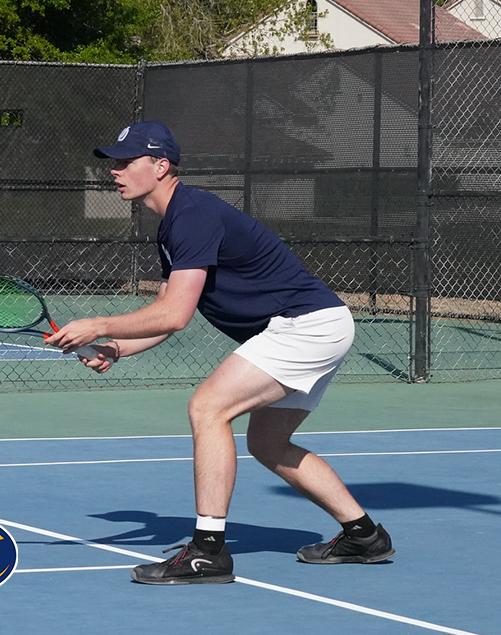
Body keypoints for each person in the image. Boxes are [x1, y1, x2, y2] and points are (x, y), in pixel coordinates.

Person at [46, 121, 393, 585]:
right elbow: (166, 312)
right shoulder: (175, 224)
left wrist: (100, 323)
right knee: (266, 444)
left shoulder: (192, 216)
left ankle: (207, 553)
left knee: (207, 408)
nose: (116, 171)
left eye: (127, 161)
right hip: (317, 324)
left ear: (161, 166)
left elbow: (173, 315)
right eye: (115, 162)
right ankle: (364, 535)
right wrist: (115, 347)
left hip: (303, 325)